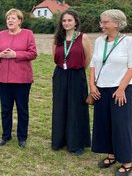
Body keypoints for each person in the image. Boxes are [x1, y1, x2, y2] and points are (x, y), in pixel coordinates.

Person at [90, 9, 132, 176]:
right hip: (100, 89)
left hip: (120, 90)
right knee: (104, 123)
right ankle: (111, 155)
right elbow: (93, 65)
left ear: (117, 23)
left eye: (105, 22)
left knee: (121, 125)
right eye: (101, 22)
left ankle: (126, 161)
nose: (101, 25)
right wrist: (92, 86)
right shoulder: (99, 41)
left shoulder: (128, 41)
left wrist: (121, 89)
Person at [0, 8, 37, 148]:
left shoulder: (28, 34)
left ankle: (22, 137)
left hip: (22, 79)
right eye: (8, 18)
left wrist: (15, 55)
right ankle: (6, 136)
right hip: (3, 79)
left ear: (20, 21)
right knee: (5, 109)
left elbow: (33, 53)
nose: (10, 21)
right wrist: (1, 55)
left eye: (13, 18)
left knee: (22, 109)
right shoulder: (1, 34)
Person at [51, 10, 91, 155]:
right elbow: (54, 57)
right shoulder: (57, 38)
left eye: (69, 20)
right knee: (60, 107)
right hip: (61, 74)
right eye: (64, 20)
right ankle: (59, 141)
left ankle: (77, 143)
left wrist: (77, 69)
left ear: (75, 22)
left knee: (76, 108)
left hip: (76, 75)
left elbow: (87, 58)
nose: (66, 23)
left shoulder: (83, 37)